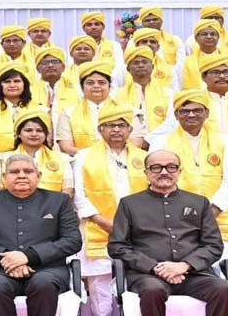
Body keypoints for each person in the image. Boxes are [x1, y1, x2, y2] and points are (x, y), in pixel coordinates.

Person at [108, 149, 228, 316]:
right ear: (146, 172)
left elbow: (213, 245)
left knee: (224, 288)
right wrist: (154, 267)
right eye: (156, 167)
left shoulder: (199, 202)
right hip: (147, 275)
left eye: (171, 167)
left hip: (193, 274)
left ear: (179, 171)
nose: (164, 172)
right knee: (152, 290)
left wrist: (185, 265)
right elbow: (117, 246)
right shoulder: (129, 204)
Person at [0, 153, 82, 316]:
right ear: (4, 177)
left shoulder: (59, 200)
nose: (21, 175)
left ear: (39, 175)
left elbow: (72, 240)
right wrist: (7, 260)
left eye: (28, 171)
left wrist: (29, 256)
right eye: (14, 172)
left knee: (43, 283)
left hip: (47, 269)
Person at [73, 104, 149, 316]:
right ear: (100, 129)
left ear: (130, 130)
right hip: (98, 226)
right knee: (100, 287)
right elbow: (79, 195)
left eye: (121, 125)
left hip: (138, 229)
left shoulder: (143, 157)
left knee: (138, 283)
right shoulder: (84, 156)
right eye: (110, 125)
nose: (116, 130)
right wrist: (102, 221)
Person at [148, 89, 228, 260]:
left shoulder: (225, 141)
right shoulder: (161, 142)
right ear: (176, 115)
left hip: (219, 217)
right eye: (184, 111)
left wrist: (209, 213)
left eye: (197, 110)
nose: (191, 115)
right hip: (176, 220)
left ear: (207, 113)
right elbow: (157, 180)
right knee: (181, 270)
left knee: (222, 271)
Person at [57, 61, 144, 155]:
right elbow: (66, 147)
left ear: (109, 87)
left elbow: (136, 144)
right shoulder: (68, 113)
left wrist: (109, 157)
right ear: (82, 87)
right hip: (82, 162)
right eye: (90, 83)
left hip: (121, 161)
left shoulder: (128, 111)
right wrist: (94, 157)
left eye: (101, 82)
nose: (96, 86)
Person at [5, 108, 74, 197]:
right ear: (18, 133)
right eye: (28, 130)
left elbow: (68, 190)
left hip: (52, 205)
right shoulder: (4, 158)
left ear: (46, 134)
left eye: (39, 131)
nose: (34, 134)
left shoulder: (62, 159)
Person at [114, 45, 171, 134]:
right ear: (128, 69)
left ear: (152, 67)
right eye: (136, 63)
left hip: (161, 139)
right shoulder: (116, 95)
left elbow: (171, 122)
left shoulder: (168, 94)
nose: (141, 65)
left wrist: (151, 138)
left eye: (144, 62)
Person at [0, 63, 33, 152]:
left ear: (24, 84)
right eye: (7, 81)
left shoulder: (39, 110)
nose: (12, 85)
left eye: (17, 81)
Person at [30, 46, 80, 135]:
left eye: (55, 62)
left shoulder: (77, 89)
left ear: (63, 67)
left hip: (69, 136)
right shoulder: (29, 90)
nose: (50, 65)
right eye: (45, 62)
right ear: (38, 68)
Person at [179, 19, 222, 89]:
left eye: (213, 34)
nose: (209, 37)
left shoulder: (227, 60)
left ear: (218, 37)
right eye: (204, 34)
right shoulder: (185, 62)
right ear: (196, 38)